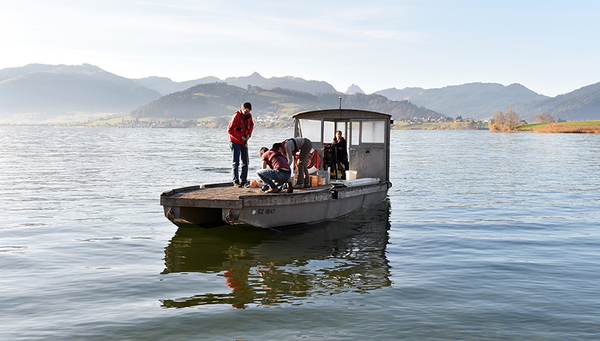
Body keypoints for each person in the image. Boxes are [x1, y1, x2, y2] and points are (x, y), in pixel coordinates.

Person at [227, 102, 254, 187]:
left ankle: (244, 180)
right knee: (236, 162)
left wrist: (249, 134)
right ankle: (235, 181)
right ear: (242, 108)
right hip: (235, 142)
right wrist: (240, 137)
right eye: (245, 111)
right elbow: (230, 130)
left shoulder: (249, 116)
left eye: (248, 112)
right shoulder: (236, 116)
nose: (247, 113)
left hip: (244, 142)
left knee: (245, 161)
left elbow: (251, 126)